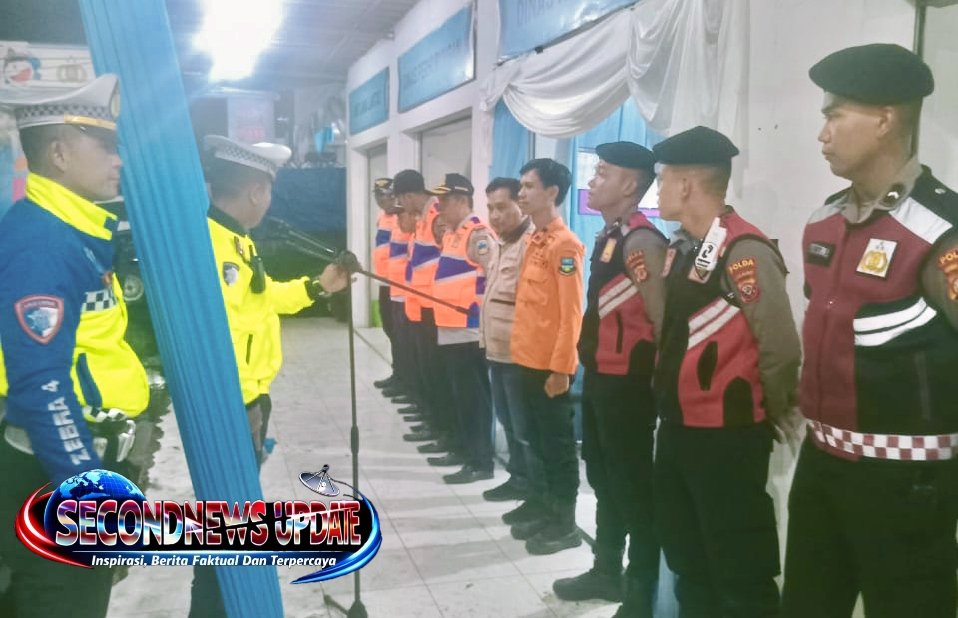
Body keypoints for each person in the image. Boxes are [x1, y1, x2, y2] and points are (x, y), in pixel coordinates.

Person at [783, 44, 958, 618]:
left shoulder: (939, 231)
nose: (823, 134)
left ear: (884, 120)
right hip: (822, 464)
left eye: (835, 115)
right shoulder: (823, 222)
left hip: (908, 483)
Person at [0, 74, 150, 618]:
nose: (118, 159)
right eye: (105, 145)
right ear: (59, 154)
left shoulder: (73, 232)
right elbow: (41, 386)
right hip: (54, 472)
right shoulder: (42, 243)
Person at [652, 126, 801, 617]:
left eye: (662, 179)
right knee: (688, 559)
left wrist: (771, 408)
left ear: (686, 185)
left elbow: (779, 347)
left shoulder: (744, 250)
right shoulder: (683, 248)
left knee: (739, 569)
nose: (658, 190)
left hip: (727, 436)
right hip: (679, 429)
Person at [553, 142, 665, 616]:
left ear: (629, 184)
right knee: (603, 477)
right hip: (602, 376)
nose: (592, 181)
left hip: (629, 385)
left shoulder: (642, 242)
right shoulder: (610, 236)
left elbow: (663, 321)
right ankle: (605, 568)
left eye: (602, 173)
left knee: (632, 486)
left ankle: (640, 591)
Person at [202, 135, 348, 463]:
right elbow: (223, 333)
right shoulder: (218, 248)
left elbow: (265, 296)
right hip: (238, 399)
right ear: (256, 192)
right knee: (239, 484)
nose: (269, 201)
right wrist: (246, 401)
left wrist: (318, 286)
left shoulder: (235, 238)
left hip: (248, 392)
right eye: (269, 192)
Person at [506, 158, 585, 556]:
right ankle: (543, 506)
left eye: (528, 186)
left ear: (552, 192)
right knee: (534, 441)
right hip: (525, 360)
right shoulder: (533, 240)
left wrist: (561, 369)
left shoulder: (564, 245)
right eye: (521, 186)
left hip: (549, 369)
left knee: (557, 448)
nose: (520, 193)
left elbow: (571, 315)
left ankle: (564, 523)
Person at [428, 173, 496, 484]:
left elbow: (494, 277)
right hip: (449, 329)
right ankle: (461, 449)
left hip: (468, 332)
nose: (439, 208)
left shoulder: (477, 235)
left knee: (473, 400)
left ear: (460, 201)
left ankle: (480, 462)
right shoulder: (453, 234)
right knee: (458, 397)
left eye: (443, 202)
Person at [479, 177, 540, 503]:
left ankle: (534, 490)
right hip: (497, 352)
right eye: (491, 208)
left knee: (525, 429)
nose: (495, 215)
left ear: (521, 205)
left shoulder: (532, 244)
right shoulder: (501, 243)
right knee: (508, 422)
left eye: (502, 207)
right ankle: (518, 479)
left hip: (520, 356)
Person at [393, 169, 457, 454]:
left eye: (401, 199)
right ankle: (431, 421)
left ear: (409, 195)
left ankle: (442, 428)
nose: (401, 206)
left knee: (437, 373)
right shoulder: (423, 217)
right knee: (427, 371)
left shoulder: (436, 218)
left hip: (434, 307)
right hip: (420, 305)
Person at [370, 177, 405, 390]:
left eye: (385, 196)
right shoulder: (382, 217)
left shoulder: (404, 218)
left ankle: (406, 379)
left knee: (402, 335)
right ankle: (398, 373)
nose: (382, 200)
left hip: (400, 285)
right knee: (390, 330)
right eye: (378, 196)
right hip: (384, 282)